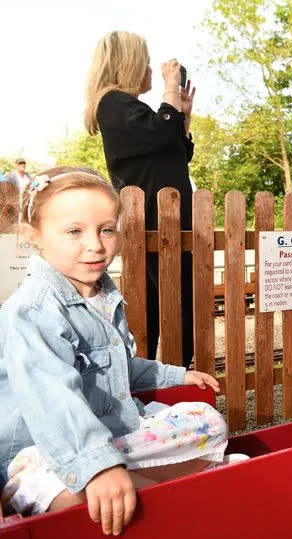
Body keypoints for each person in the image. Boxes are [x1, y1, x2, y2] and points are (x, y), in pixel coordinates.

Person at [0, 168, 246, 535]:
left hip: (111, 429)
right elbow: (53, 399)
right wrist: (97, 466)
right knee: (55, 490)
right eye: (74, 232)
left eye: (106, 229)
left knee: (207, 420)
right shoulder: (32, 311)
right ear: (34, 235)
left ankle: (131, 482)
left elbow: (117, 366)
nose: (95, 245)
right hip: (41, 448)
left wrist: (176, 375)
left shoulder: (100, 294)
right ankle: (132, 487)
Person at [84, 31, 196, 367]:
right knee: (168, 303)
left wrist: (183, 116)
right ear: (128, 63)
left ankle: (173, 372)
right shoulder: (114, 104)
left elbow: (175, 154)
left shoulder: (130, 109)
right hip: (152, 219)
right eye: (144, 61)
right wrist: (170, 89)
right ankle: (163, 376)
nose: (149, 69)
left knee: (176, 300)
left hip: (168, 218)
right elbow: (162, 133)